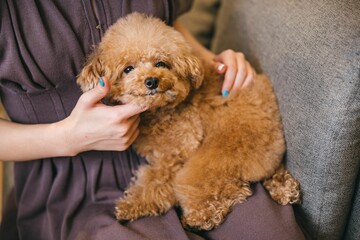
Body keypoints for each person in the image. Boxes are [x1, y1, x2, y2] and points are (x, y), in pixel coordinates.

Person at [0, 1, 305, 239]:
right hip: (68, 181)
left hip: (190, 137)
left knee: (270, 231)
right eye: (130, 69)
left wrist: (212, 63)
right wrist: (67, 137)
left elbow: (165, 26)